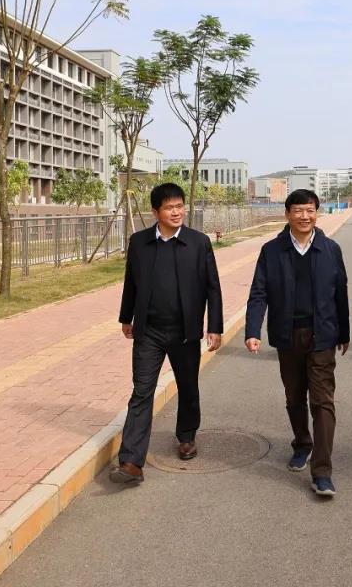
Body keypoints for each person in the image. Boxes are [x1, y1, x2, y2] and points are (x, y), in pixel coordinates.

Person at [110, 183, 223, 486]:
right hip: (149, 331)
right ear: (155, 212)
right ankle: (131, 462)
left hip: (185, 332)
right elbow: (131, 282)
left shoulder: (198, 243)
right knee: (141, 391)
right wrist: (126, 317)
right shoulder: (139, 242)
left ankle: (186, 436)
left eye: (179, 206)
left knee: (188, 387)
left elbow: (212, 287)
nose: (176, 212)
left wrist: (214, 326)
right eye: (169, 207)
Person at [245, 189, 349, 497]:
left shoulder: (330, 249)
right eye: (298, 210)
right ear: (287, 213)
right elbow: (259, 292)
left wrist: (344, 333)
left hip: (322, 335)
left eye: (310, 210)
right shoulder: (271, 250)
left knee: (323, 401)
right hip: (287, 335)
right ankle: (302, 444)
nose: (305, 216)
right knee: (294, 397)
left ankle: (322, 471)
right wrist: (253, 330)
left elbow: (340, 293)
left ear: (317, 212)